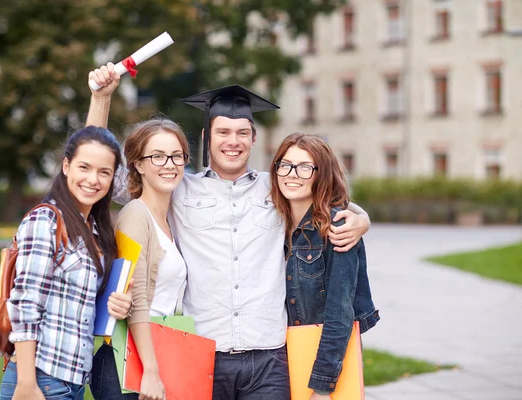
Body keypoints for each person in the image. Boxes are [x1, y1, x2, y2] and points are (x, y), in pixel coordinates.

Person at [86, 64, 370, 399]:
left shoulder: (277, 187)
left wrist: (361, 217)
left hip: (269, 360)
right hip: (202, 356)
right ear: (208, 137)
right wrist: (100, 99)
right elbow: (101, 176)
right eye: (222, 132)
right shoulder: (177, 188)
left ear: (253, 137)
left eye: (241, 133)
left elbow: (323, 198)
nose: (232, 142)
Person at [0, 126, 134, 400]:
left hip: (72, 383)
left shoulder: (95, 230)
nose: (92, 179)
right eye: (84, 167)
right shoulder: (46, 221)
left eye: (104, 172)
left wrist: (118, 303)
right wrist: (26, 383)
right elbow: (26, 304)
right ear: (66, 166)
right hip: (40, 378)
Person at [270, 133, 380, 399]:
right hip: (278, 362)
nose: (292, 174)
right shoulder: (272, 222)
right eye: (285, 165)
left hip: (324, 362)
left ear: (322, 174)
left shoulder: (337, 228)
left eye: (305, 167)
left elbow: (340, 315)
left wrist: (322, 388)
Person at [90, 118, 191, 400]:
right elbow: (137, 298)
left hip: (159, 353)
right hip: (128, 361)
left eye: (176, 155)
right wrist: (150, 370)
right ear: (138, 164)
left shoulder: (171, 220)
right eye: (157, 156)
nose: (169, 164)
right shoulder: (136, 214)